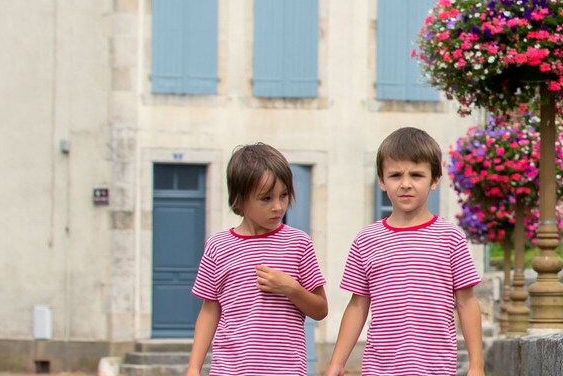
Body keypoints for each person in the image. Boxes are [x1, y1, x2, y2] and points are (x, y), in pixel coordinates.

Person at [326, 127, 485, 376]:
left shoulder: (450, 237)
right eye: (396, 175)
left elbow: (466, 302)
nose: (406, 184)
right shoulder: (366, 240)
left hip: (436, 370)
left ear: (434, 180)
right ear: (381, 180)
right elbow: (357, 305)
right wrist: (336, 363)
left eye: (417, 175)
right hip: (380, 370)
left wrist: (477, 366)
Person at [188, 143, 329, 376]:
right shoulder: (217, 246)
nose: (278, 206)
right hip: (229, 370)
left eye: (283, 195)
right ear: (240, 200)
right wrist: (194, 368)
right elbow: (209, 311)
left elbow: (320, 310)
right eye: (266, 198)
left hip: (285, 371)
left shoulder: (299, 243)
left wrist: (291, 288)